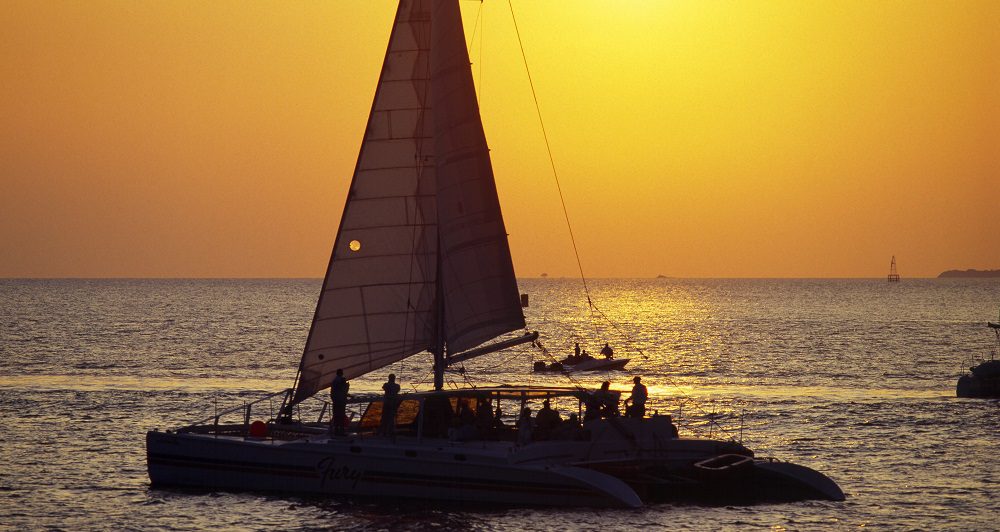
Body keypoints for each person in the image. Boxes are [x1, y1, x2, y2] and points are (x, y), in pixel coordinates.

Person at [329, 368, 349, 435]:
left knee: (337, 414)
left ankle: (337, 428)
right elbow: (341, 389)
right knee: (340, 414)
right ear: (341, 373)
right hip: (339, 401)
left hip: (336, 400)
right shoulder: (339, 380)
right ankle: (340, 429)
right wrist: (345, 386)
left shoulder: (335, 380)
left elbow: (338, 391)